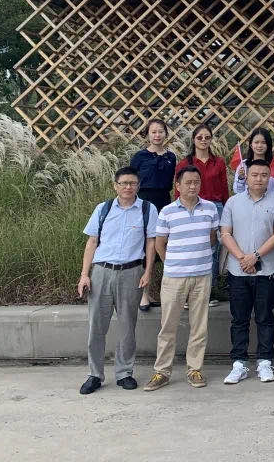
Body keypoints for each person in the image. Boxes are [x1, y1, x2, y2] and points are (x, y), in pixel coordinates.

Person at [76, 166, 157, 394]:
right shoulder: (103, 209)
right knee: (96, 326)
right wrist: (84, 275)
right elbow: (92, 242)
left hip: (131, 272)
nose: (128, 187)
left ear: (138, 186)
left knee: (127, 326)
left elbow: (151, 242)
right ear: (115, 186)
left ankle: (124, 373)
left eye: (132, 183)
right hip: (102, 272)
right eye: (123, 183)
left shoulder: (147, 209)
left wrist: (148, 272)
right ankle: (95, 374)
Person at [143, 165, 219, 391]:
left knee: (199, 326)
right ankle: (162, 371)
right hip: (174, 277)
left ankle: (195, 369)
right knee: (168, 326)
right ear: (178, 185)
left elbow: (212, 238)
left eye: (196, 182)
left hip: (202, 275)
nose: (193, 186)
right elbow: (159, 243)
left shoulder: (210, 209)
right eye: (188, 182)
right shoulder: (167, 212)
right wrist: (172, 263)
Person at [220, 160, 274, 385]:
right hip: (238, 271)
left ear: (269, 178)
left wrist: (255, 256)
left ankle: (265, 361)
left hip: (266, 271)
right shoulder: (233, 202)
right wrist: (242, 257)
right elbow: (225, 233)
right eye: (255, 174)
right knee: (239, 319)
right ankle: (239, 363)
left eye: (264, 175)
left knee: (265, 317)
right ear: (246, 177)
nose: (259, 178)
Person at [174, 124, 229, 307]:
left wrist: (227, 211)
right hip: (192, 207)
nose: (204, 140)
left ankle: (208, 291)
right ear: (193, 140)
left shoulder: (218, 162)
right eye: (200, 137)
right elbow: (178, 189)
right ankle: (188, 294)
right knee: (192, 248)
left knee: (213, 250)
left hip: (216, 207)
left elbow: (224, 188)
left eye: (207, 137)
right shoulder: (184, 164)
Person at [130, 118, 176, 312]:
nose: (157, 135)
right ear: (147, 135)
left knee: (164, 246)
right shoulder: (139, 157)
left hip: (164, 202)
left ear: (166, 134)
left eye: (160, 131)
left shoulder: (171, 157)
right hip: (144, 203)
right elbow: (131, 181)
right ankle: (144, 294)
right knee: (145, 247)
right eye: (153, 132)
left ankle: (170, 292)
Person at [233, 127, 274, 199]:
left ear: (268, 145)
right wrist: (241, 178)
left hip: (269, 204)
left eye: (263, 142)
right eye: (256, 142)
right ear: (251, 145)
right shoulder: (244, 165)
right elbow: (237, 191)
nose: (259, 146)